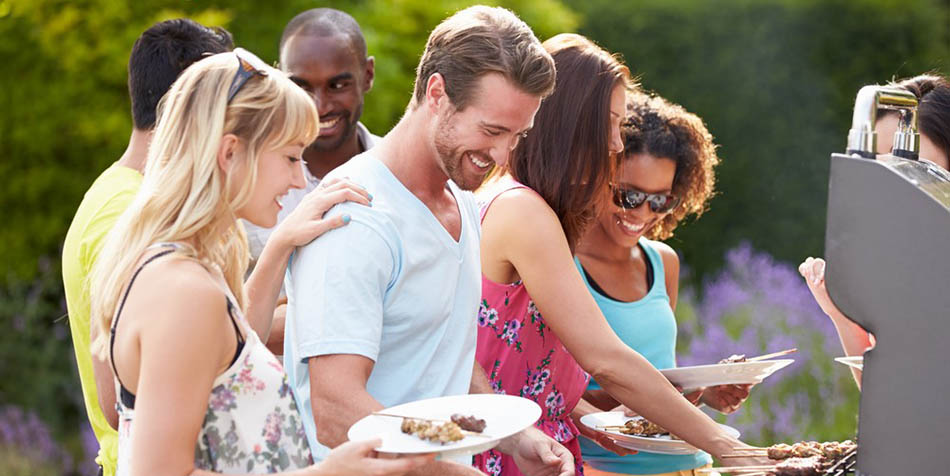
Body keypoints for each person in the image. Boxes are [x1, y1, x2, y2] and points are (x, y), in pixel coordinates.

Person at [88, 47, 429, 475]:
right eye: (289, 157)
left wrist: (280, 244)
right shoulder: (184, 291)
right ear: (230, 153)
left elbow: (225, 353)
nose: (299, 179)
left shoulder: (168, 266)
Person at [285, 6, 575, 475]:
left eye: (518, 135)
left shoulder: (460, 199)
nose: (503, 155)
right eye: (492, 130)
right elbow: (335, 412)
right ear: (437, 93)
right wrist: (440, 469)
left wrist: (514, 437)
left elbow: (446, 353)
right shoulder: (356, 213)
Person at [474, 34, 764, 475]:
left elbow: (509, 358)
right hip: (514, 457)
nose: (615, 144)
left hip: (533, 449)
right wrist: (729, 447)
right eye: (610, 124)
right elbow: (606, 359)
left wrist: (577, 415)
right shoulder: (522, 210)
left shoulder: (521, 205)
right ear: (571, 123)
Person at [61, 19, 233, 476]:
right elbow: (125, 395)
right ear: (185, 107)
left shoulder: (135, 197)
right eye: (222, 106)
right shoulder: (125, 211)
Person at [575, 93, 750, 476]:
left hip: (691, 464)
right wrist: (637, 399)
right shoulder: (562, 266)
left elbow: (656, 380)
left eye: (660, 201)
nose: (641, 213)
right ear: (596, 178)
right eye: (628, 194)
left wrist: (703, 390)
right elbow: (547, 389)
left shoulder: (662, 262)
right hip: (609, 468)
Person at [241, 8, 380, 354]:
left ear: (367, 75)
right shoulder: (243, 185)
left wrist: (289, 306)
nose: (319, 106)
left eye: (338, 85)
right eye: (301, 86)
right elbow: (225, 328)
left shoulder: (402, 174)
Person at [799, 73, 950, 388]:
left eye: (913, 169)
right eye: (878, 168)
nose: (890, 187)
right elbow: (888, 399)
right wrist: (841, 314)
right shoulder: (895, 259)